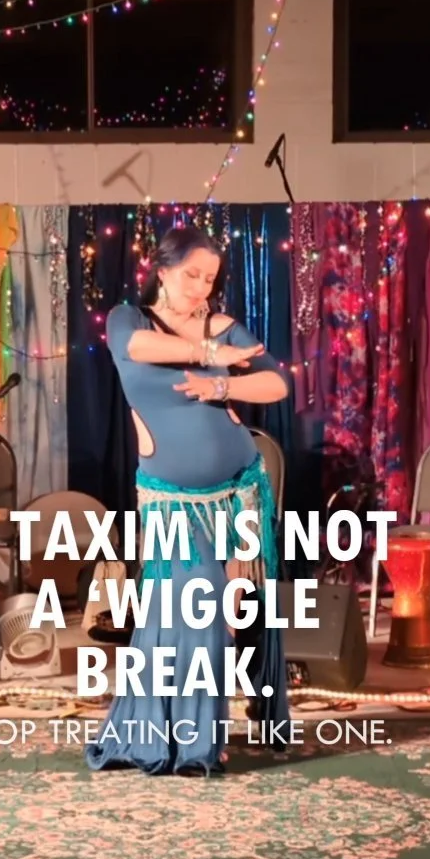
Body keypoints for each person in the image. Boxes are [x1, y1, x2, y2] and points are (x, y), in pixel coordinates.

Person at [85, 225, 291, 776]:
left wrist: (221, 384)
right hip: (172, 499)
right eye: (191, 274)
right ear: (163, 269)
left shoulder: (222, 325)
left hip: (239, 490)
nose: (201, 287)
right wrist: (210, 354)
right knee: (193, 602)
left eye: (210, 279)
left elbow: (276, 385)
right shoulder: (128, 320)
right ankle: (176, 735)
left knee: (229, 614)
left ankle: (208, 736)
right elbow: (138, 349)